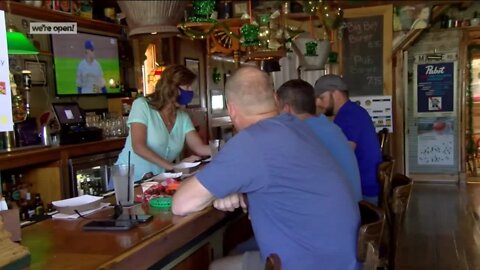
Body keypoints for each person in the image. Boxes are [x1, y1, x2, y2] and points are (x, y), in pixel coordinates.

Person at [173, 67, 360, 270]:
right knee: (236, 252)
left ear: (231, 109)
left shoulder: (252, 141)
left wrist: (222, 190)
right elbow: (284, 184)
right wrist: (236, 191)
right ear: (274, 99)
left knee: (217, 267)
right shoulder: (296, 125)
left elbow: (181, 204)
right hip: (342, 257)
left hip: (314, 263)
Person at [115, 64, 211, 182]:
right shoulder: (142, 105)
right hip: (127, 181)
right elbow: (138, 146)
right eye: (187, 86)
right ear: (172, 87)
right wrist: (174, 167)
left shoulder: (183, 117)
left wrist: (226, 150)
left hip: (157, 181)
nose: (191, 91)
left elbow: (199, 147)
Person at [276, 79, 362, 203]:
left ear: (287, 109)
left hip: (341, 211)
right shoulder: (325, 125)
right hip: (355, 207)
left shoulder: (303, 134)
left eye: (277, 108)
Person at [314, 74, 383, 205]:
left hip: (363, 193)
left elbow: (342, 156)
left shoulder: (347, 116)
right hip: (369, 185)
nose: (319, 103)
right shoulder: (355, 111)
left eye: (322, 98)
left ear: (335, 94)